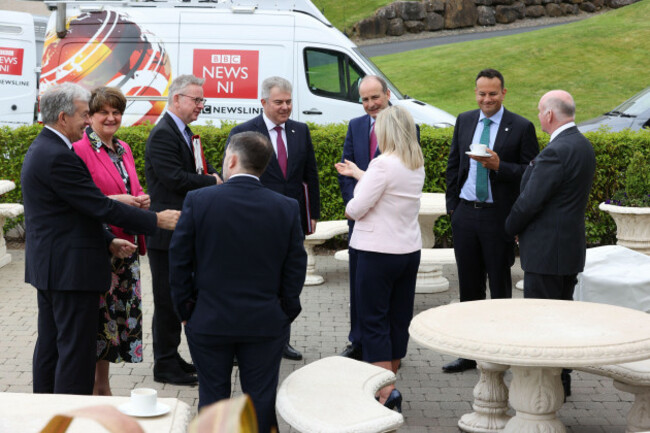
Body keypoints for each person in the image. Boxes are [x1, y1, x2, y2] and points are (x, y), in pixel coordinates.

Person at [21, 83, 179, 395]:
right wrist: (156, 220)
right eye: (84, 114)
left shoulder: (47, 148)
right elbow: (99, 205)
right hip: (69, 272)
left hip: (54, 268)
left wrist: (107, 239)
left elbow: (77, 210)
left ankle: (44, 412)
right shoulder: (59, 155)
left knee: (52, 348)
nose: (87, 120)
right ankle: (70, 416)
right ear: (64, 117)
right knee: (74, 355)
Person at [169, 131, 307, 433]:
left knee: (213, 401)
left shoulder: (198, 200)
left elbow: (179, 262)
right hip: (265, 322)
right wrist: (285, 310)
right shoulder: (286, 207)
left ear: (231, 160)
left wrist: (186, 310)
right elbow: (295, 266)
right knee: (260, 401)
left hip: (208, 319)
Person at [443, 68, 539, 373]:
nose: (487, 99)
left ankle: (500, 352)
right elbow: (453, 165)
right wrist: (453, 209)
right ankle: (469, 353)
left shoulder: (521, 127)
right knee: (469, 287)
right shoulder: (465, 120)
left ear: (504, 93)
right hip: (466, 215)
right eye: (482, 93)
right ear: (476, 93)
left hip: (499, 217)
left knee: (499, 286)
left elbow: (531, 173)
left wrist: (500, 166)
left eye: (493, 94)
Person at [505, 90, 596, 398]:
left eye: (540, 111)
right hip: (568, 248)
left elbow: (531, 201)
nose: (539, 115)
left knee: (543, 321)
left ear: (549, 115)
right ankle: (561, 380)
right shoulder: (583, 145)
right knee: (563, 317)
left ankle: (544, 387)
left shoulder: (556, 151)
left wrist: (510, 228)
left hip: (546, 252)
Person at [335, 105, 424, 412]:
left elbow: (355, 208)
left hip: (376, 253)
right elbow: (387, 190)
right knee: (398, 318)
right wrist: (361, 174)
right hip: (408, 250)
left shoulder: (382, 164)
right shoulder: (415, 162)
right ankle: (390, 381)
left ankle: (383, 393)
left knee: (373, 320)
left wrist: (357, 193)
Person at [225, 76, 320, 361]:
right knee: (251, 279)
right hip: (253, 222)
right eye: (279, 102)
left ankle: (281, 340)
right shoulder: (243, 131)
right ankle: (245, 339)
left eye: (289, 101)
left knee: (286, 280)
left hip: (290, 219)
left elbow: (309, 174)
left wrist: (313, 212)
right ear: (263, 102)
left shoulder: (300, 131)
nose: (285, 107)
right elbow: (232, 177)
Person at [72, 87, 151, 395]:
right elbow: (80, 199)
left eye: (116, 112)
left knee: (113, 322)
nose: (111, 117)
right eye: (103, 112)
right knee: (97, 320)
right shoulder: (79, 150)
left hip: (126, 248)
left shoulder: (124, 148)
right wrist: (116, 201)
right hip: (100, 246)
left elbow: (131, 186)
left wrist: (142, 200)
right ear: (90, 116)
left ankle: (102, 384)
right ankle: (96, 387)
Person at [145, 75, 221, 385]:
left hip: (182, 229)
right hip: (166, 234)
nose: (201, 105)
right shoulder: (163, 134)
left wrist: (216, 174)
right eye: (196, 100)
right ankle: (164, 365)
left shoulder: (185, 132)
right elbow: (176, 178)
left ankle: (171, 356)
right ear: (176, 100)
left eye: (202, 100)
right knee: (167, 301)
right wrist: (214, 182)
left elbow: (197, 169)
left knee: (178, 297)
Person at [338, 75, 390, 360]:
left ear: (387, 94)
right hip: (358, 220)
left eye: (375, 98)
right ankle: (357, 341)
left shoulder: (405, 127)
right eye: (365, 99)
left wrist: (370, 203)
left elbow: (402, 174)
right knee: (358, 283)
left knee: (385, 288)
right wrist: (354, 203)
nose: (370, 104)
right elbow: (346, 168)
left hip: (386, 222)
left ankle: (389, 346)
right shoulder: (356, 126)